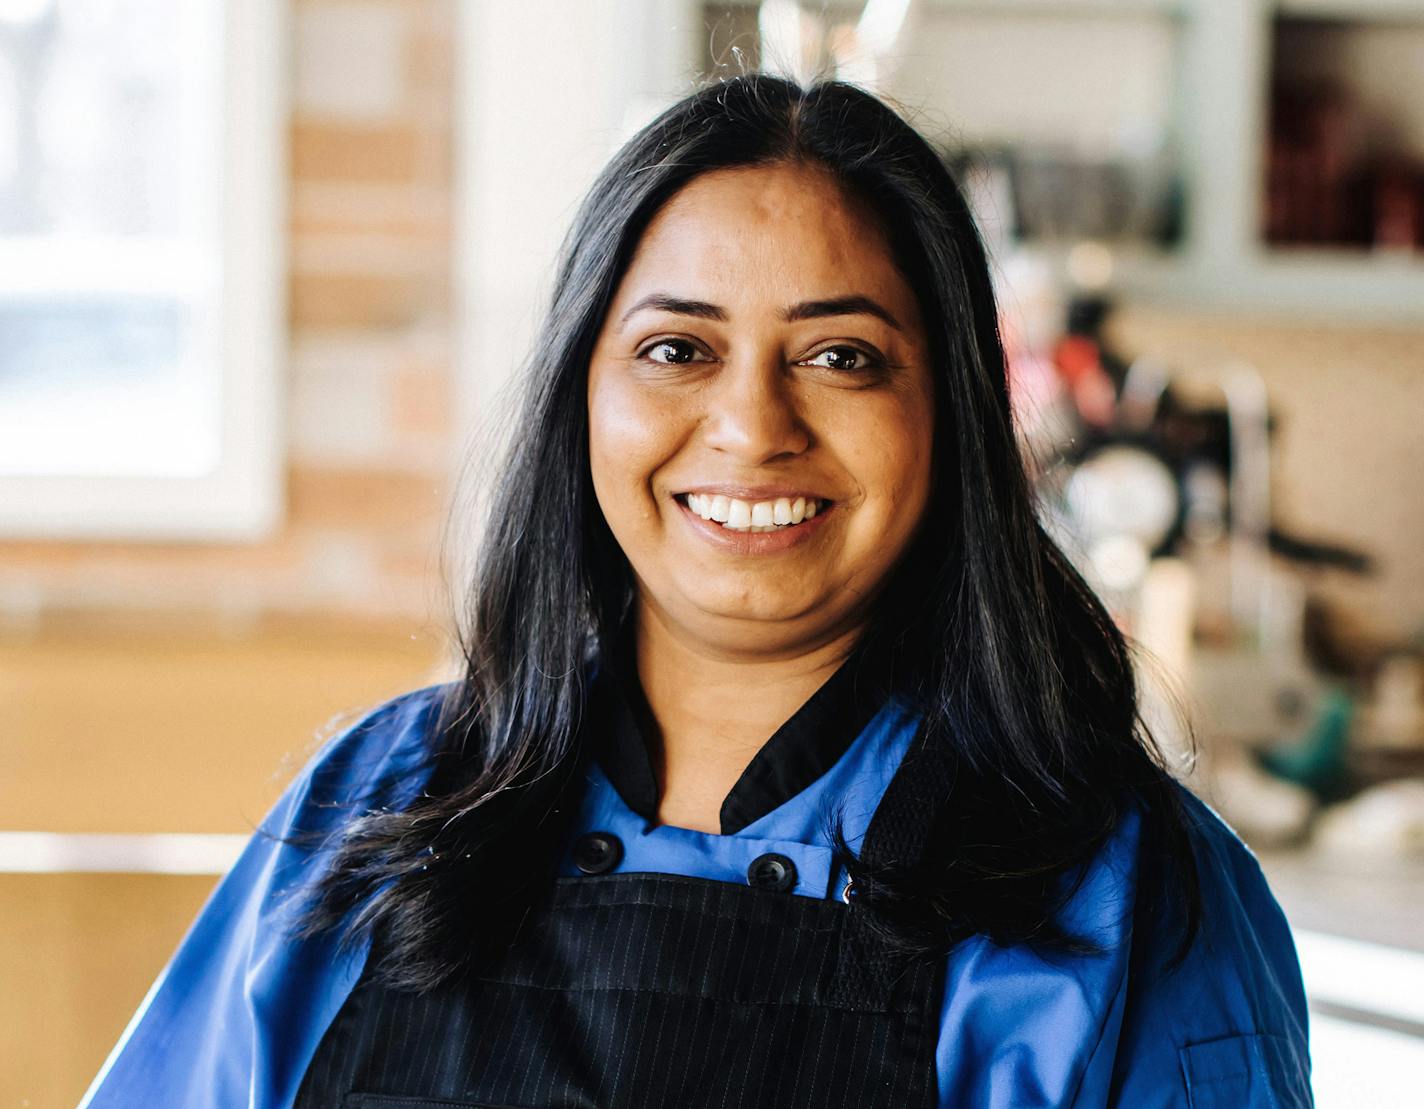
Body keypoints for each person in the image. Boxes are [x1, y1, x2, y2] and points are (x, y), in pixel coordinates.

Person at [81, 75, 1312, 1108]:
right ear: (582, 391)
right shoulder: (381, 804)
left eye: (841, 356)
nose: (750, 425)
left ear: (949, 417)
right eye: (677, 348)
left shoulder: (1130, 893)